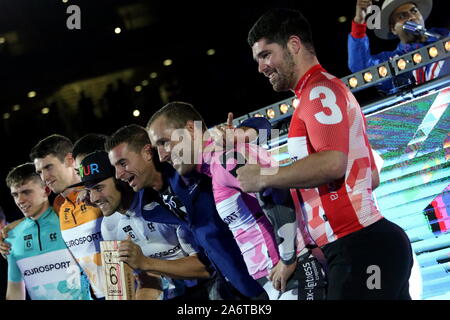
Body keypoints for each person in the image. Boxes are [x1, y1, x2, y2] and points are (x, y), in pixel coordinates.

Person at [239, 8, 414, 299]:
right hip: (366, 247)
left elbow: (333, 163)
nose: (261, 67)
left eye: (266, 55)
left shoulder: (319, 92)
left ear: (294, 45)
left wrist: (264, 177)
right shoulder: (320, 93)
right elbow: (371, 177)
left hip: (360, 248)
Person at [146, 101, 327, 300]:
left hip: (289, 275)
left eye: (164, 142)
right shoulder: (215, 164)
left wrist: (288, 258)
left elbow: (277, 193)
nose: (162, 156)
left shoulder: (225, 159)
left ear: (190, 129)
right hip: (275, 280)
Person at [105, 124, 267, 300]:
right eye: (115, 167)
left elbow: (263, 124)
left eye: (122, 163)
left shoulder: (184, 166)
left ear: (147, 153)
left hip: (265, 266)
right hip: (235, 284)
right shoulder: (148, 204)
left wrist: (238, 133)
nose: (119, 174)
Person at [69, 150, 211, 300]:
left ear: (119, 180)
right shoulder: (108, 225)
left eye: (99, 188)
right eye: (89, 190)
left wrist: (145, 262)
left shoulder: (162, 203)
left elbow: (205, 268)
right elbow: (130, 286)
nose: (93, 198)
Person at [4, 163, 91, 300]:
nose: (20, 200)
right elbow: (14, 292)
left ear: (46, 190)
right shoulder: (12, 237)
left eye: (26, 192)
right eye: (15, 195)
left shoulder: (69, 221)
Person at [348, 0, 449, 93]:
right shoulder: (390, 61)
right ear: (393, 29)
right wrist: (359, 24)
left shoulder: (445, 39)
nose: (411, 17)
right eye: (402, 16)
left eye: (414, 11)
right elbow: (361, 68)